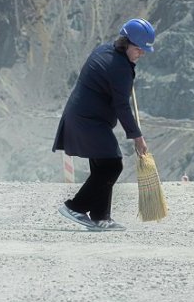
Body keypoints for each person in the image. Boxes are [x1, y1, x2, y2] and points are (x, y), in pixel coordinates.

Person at [53, 18, 155, 231]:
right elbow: (122, 106)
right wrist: (137, 137)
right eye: (139, 49)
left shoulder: (105, 51)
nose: (142, 53)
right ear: (127, 44)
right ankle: (75, 207)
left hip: (83, 117)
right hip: (88, 121)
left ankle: (101, 217)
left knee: (103, 164)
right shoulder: (120, 67)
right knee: (112, 165)